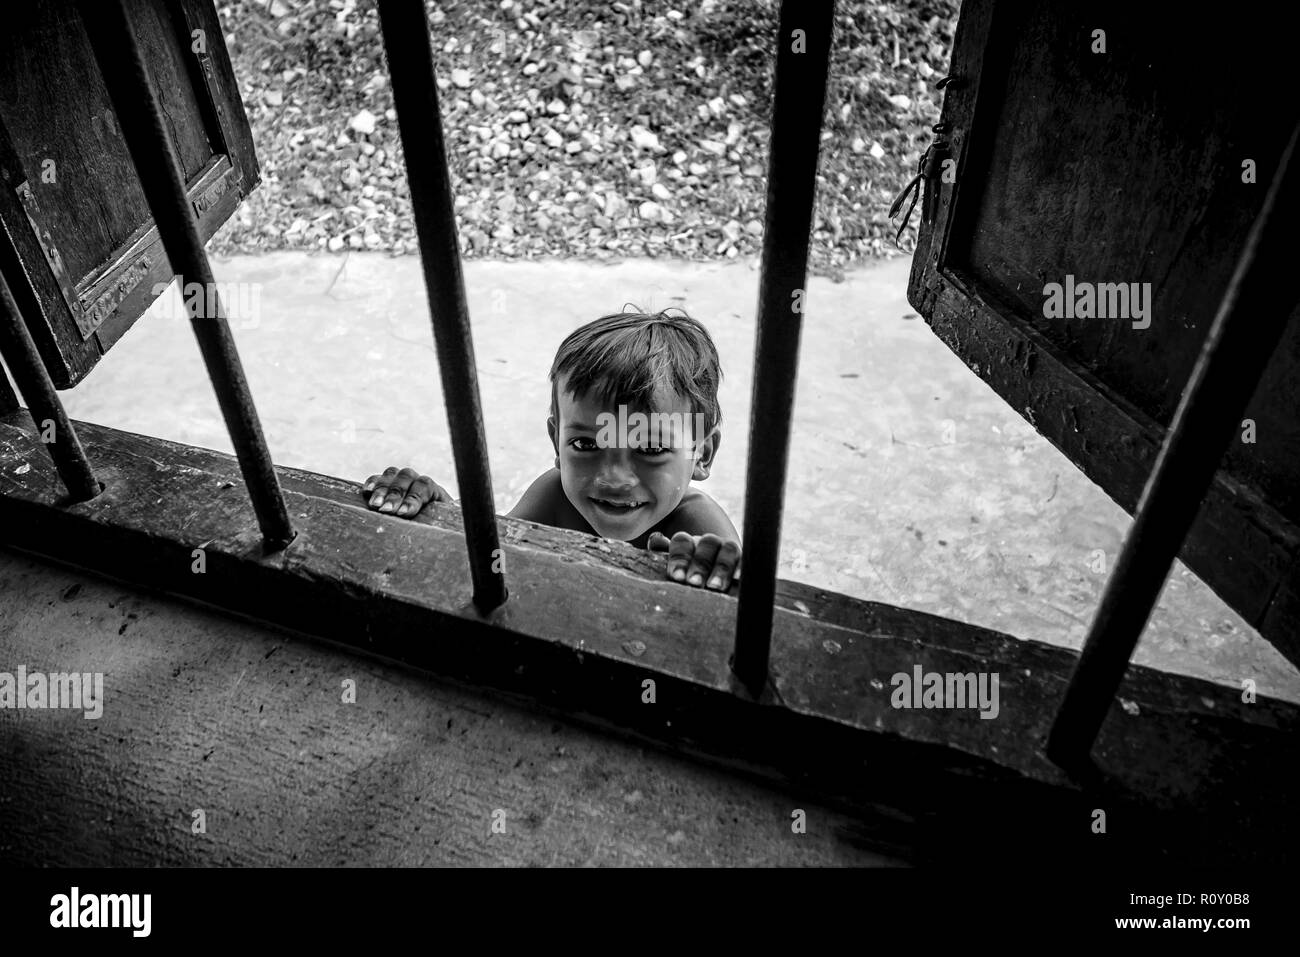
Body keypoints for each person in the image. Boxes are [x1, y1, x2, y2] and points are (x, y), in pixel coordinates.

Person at [362, 309, 742, 591]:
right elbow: (492, 555)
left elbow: (737, 612)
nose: (613, 477)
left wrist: (710, 566)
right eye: (585, 444)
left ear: (702, 453)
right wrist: (438, 513)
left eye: (652, 448)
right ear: (556, 442)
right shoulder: (553, 495)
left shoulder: (697, 525)